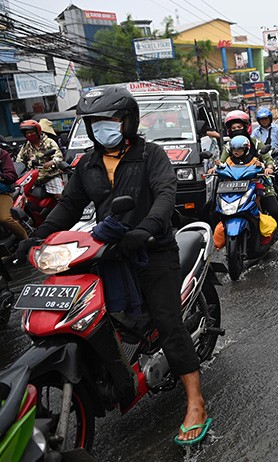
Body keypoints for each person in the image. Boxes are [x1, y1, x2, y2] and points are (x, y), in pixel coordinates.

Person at [15, 86, 211, 445]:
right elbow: (69, 206)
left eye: (109, 121)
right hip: (111, 252)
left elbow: (166, 194)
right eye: (94, 123)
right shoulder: (87, 164)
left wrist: (147, 228)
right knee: (97, 315)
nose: (101, 128)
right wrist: (38, 235)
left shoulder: (151, 155)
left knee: (168, 323)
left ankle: (196, 402)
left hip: (153, 250)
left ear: (128, 121)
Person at [217, 111, 278, 252]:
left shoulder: (256, 142)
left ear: (246, 127)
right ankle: (219, 242)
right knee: (217, 210)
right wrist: (214, 168)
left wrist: (269, 167)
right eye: (234, 128)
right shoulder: (228, 146)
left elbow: (268, 159)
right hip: (234, 185)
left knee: (275, 211)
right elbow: (222, 162)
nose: (237, 130)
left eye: (239, 127)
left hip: (258, 183)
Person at [17, 119, 64, 199]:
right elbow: (19, 161)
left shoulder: (49, 142)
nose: (29, 135)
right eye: (27, 133)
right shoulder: (25, 146)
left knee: (60, 197)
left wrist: (51, 162)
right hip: (32, 178)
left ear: (37, 132)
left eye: (31, 132)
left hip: (49, 176)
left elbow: (58, 156)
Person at [0, 146, 26, 241]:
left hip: (3, 192)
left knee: (4, 218)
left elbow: (11, 176)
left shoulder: (2, 154)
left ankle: (25, 238)